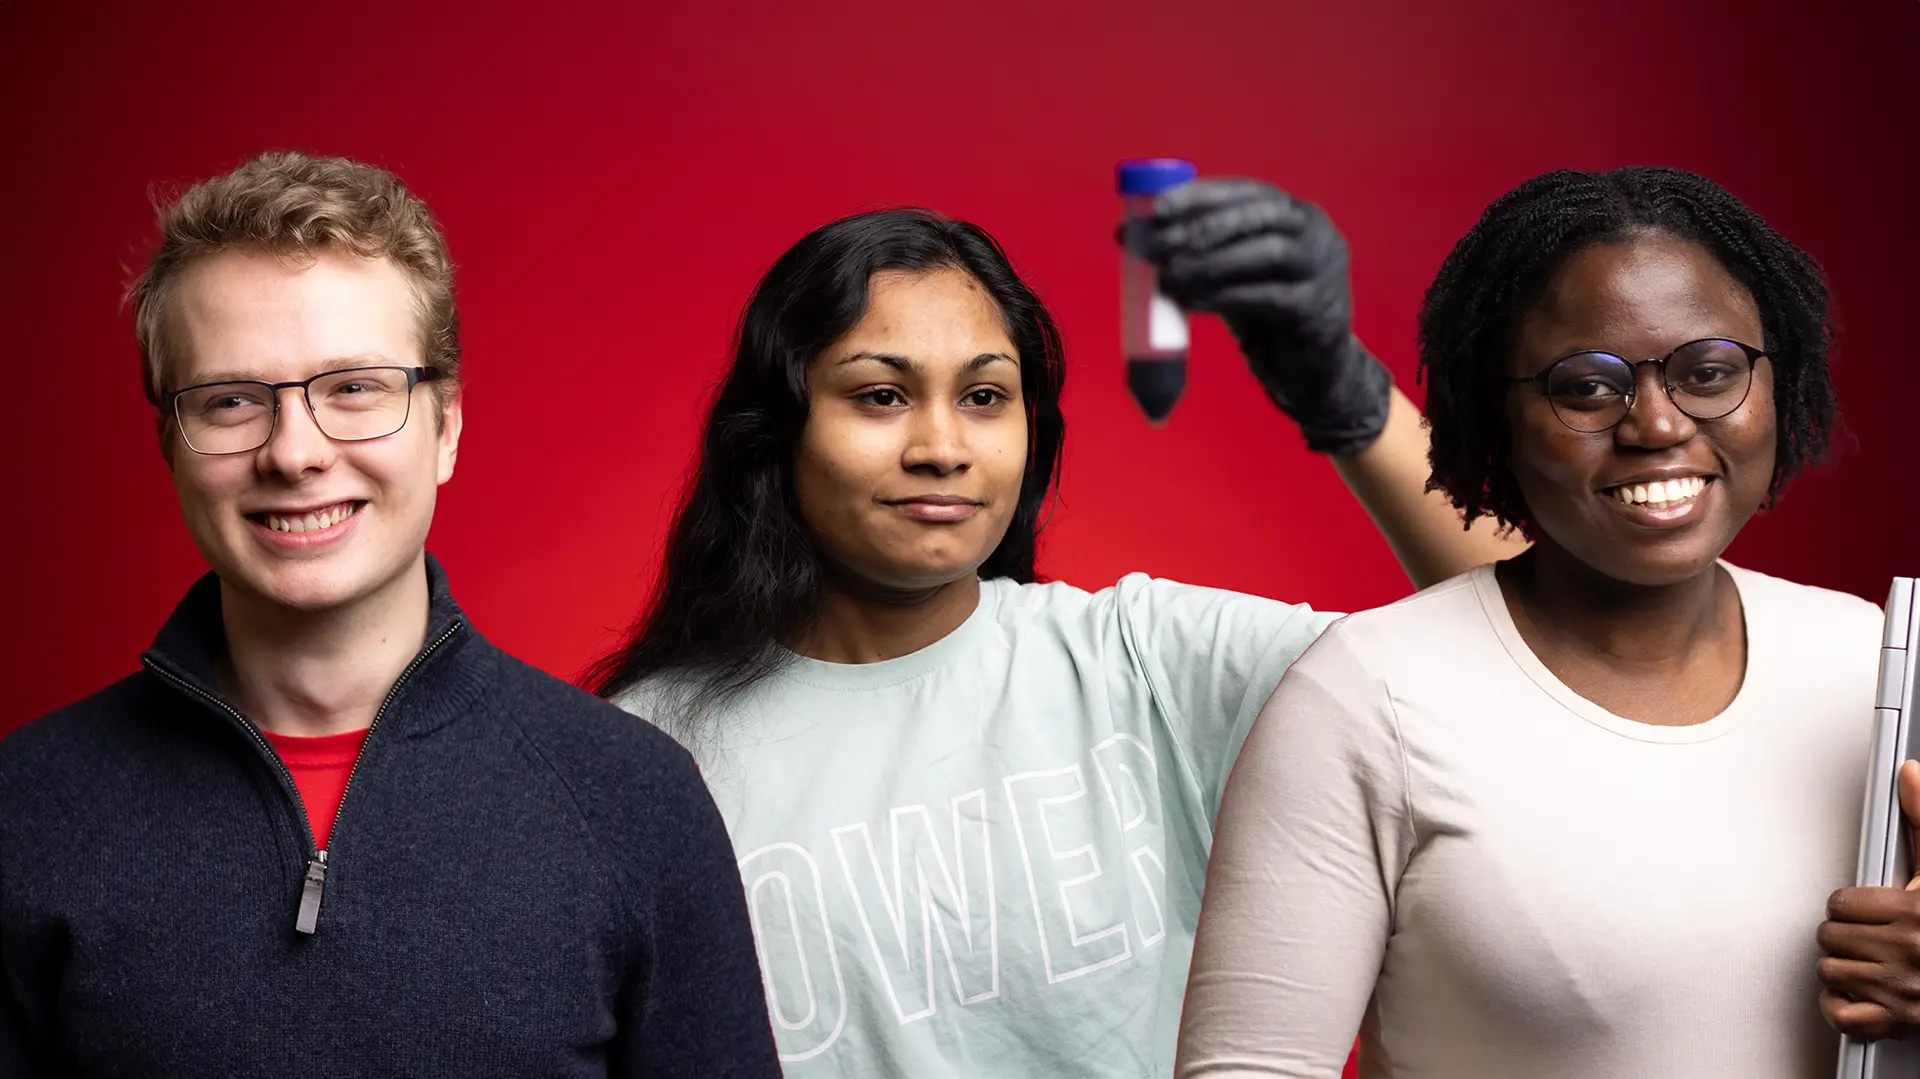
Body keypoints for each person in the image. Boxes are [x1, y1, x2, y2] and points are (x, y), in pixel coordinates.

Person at [589, 181, 1527, 1077]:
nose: (942, 446)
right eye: (880, 395)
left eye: (985, 396)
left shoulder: (1145, 663)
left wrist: (1351, 402)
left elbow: (1519, 647)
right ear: (775, 431)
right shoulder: (645, 752)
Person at [0, 151, 779, 1078]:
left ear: (445, 424)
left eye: (354, 389)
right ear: (171, 441)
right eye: (232, 400)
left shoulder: (634, 800)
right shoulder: (25, 810)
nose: (294, 452)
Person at [1172, 165, 1902, 1079]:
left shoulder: (1868, 663)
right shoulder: (1368, 696)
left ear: (1773, 381)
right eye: (1586, 387)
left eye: (1709, 371)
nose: (1656, 423)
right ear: (1496, 417)